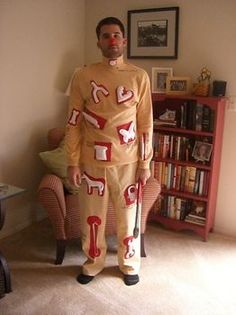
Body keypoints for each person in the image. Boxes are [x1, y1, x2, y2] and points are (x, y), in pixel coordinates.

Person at [65, 17, 153, 286]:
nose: (112, 40)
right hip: (92, 162)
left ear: (124, 41)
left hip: (128, 163)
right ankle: (93, 263)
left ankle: (129, 263)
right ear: (99, 42)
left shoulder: (139, 76)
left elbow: (145, 122)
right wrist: (72, 162)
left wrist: (145, 163)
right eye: (106, 36)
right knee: (92, 217)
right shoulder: (83, 75)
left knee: (128, 215)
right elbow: (74, 121)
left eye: (116, 35)